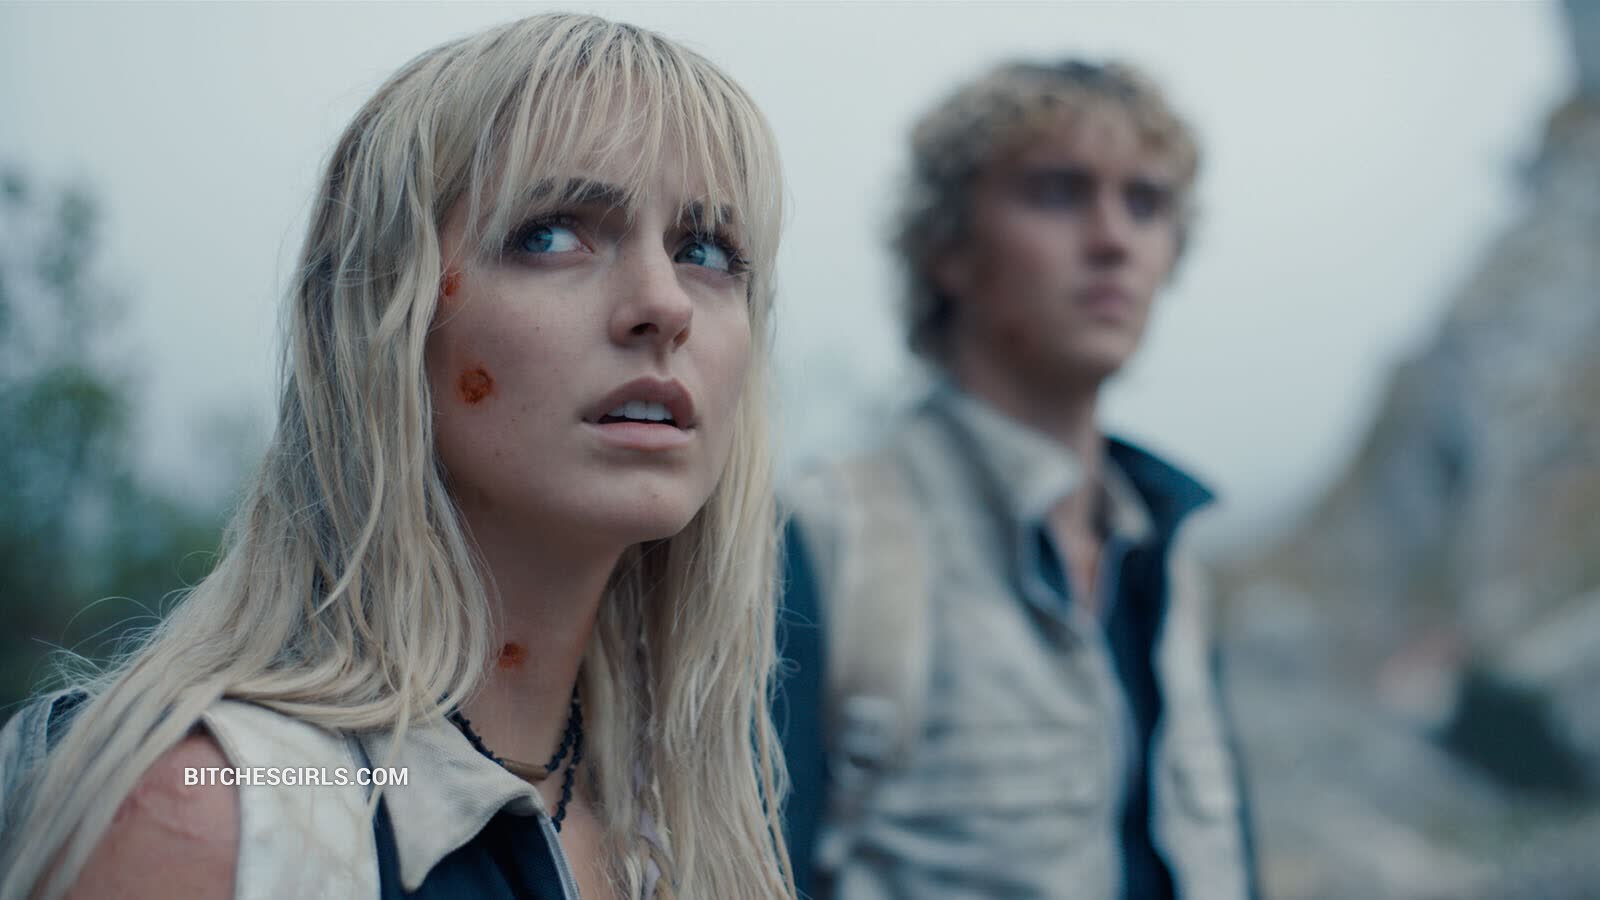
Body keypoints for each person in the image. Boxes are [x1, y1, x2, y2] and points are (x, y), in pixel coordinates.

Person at [0, 13, 794, 900]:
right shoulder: (213, 815)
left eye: (706, 251)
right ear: (387, 318)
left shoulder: (687, 844)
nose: (664, 304)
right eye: (550, 234)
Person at [777, 59, 1256, 899]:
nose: (1114, 240)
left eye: (1146, 203)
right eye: (1059, 193)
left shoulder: (1172, 563)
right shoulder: (826, 536)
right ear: (948, 249)